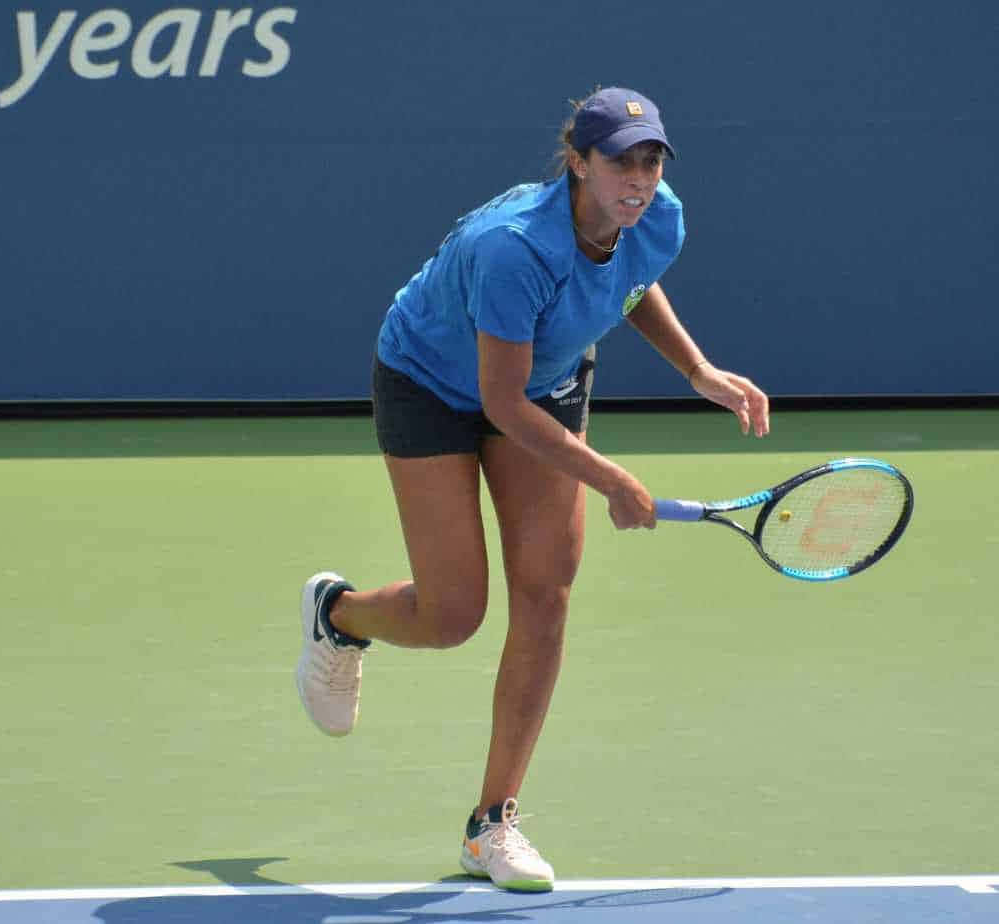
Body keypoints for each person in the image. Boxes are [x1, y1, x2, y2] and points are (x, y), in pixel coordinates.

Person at [294, 85, 770, 893]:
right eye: (621, 160)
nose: (639, 176)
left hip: (542, 377)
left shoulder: (654, 213)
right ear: (577, 162)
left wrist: (697, 370)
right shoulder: (513, 247)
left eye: (651, 159)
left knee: (544, 593)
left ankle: (492, 824)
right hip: (429, 382)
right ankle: (338, 616)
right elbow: (498, 403)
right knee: (452, 616)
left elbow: (630, 279)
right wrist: (611, 479)